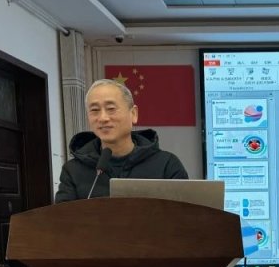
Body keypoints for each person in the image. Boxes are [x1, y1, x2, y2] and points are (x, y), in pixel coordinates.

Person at [54, 79, 188, 202]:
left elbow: (185, 215)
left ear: (133, 114)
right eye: (94, 110)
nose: (103, 118)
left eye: (111, 109)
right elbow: (61, 218)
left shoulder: (166, 165)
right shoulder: (73, 170)